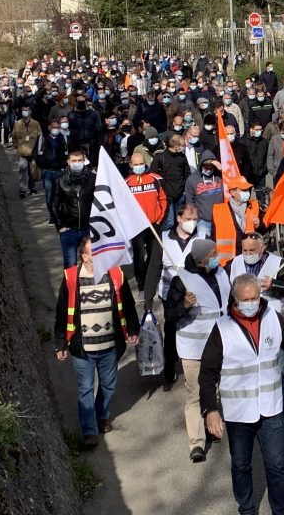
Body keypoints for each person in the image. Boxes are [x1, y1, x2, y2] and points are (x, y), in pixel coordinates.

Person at [199, 273, 284, 515]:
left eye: (255, 298)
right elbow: (207, 373)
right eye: (246, 299)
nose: (251, 303)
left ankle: (281, 511)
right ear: (235, 300)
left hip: (271, 409)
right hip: (239, 414)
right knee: (241, 466)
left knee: (276, 467)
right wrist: (210, 410)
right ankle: (246, 509)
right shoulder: (222, 329)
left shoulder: (273, 318)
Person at [53, 239, 140, 449]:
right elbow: (62, 312)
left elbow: (128, 304)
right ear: (84, 256)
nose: (99, 255)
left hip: (109, 345)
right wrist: (60, 344)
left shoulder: (116, 274)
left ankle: (102, 416)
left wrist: (133, 330)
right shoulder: (71, 277)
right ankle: (89, 432)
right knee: (85, 389)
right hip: (83, 349)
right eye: (94, 252)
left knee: (108, 386)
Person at [163, 238, 231, 463]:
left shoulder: (222, 274)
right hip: (193, 349)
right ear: (201, 259)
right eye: (213, 254)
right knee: (194, 395)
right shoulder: (182, 280)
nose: (217, 256)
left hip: (219, 347)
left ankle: (212, 426)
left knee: (215, 389)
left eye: (216, 252)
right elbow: (170, 316)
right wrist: (184, 306)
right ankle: (197, 443)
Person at [229, 232, 284, 435]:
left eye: (252, 250)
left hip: (272, 328)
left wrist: (275, 285)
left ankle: (283, 417)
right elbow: (229, 294)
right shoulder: (235, 264)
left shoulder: (278, 263)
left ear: (262, 248)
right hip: (244, 328)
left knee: (276, 373)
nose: (248, 254)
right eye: (245, 250)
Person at [144, 203, 208, 392]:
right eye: (188, 219)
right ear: (179, 219)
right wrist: (148, 300)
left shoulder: (202, 238)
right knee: (171, 327)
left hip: (194, 293)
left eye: (195, 219)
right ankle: (169, 366)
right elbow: (154, 269)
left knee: (195, 327)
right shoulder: (163, 239)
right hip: (169, 295)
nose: (192, 223)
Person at [126, 153, 167, 293]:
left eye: (141, 164)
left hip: (154, 224)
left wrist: (159, 219)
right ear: (131, 165)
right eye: (135, 164)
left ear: (145, 163)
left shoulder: (156, 179)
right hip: (136, 227)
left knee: (154, 255)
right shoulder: (126, 183)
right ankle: (141, 283)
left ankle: (152, 280)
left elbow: (164, 200)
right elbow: (123, 207)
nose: (139, 167)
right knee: (139, 255)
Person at [52, 150, 96, 270]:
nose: (77, 163)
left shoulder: (93, 179)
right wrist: (60, 225)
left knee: (92, 264)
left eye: (79, 160)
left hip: (88, 229)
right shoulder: (59, 180)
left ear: (84, 160)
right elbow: (54, 204)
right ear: (68, 162)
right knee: (70, 266)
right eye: (74, 161)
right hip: (69, 230)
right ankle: (69, 289)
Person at [184, 150, 224, 236]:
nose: (209, 170)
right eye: (206, 167)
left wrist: (222, 169)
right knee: (206, 247)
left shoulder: (221, 175)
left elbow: (234, 180)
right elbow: (190, 200)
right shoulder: (192, 179)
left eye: (211, 167)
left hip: (221, 219)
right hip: (203, 220)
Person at [37, 119, 68, 223]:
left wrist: (63, 165)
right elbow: (37, 155)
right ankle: (52, 215)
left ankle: (60, 214)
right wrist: (43, 165)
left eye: (57, 128)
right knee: (49, 195)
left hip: (60, 171)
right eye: (54, 127)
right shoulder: (43, 139)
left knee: (61, 194)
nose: (56, 129)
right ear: (49, 127)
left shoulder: (63, 138)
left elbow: (67, 153)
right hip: (47, 172)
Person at [12, 106, 41, 198]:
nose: (24, 112)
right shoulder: (18, 124)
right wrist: (17, 147)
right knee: (22, 168)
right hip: (22, 152)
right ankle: (23, 190)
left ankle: (32, 187)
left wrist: (38, 150)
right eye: (23, 110)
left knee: (31, 170)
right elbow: (14, 137)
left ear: (30, 111)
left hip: (33, 151)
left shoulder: (36, 124)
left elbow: (40, 137)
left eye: (26, 110)